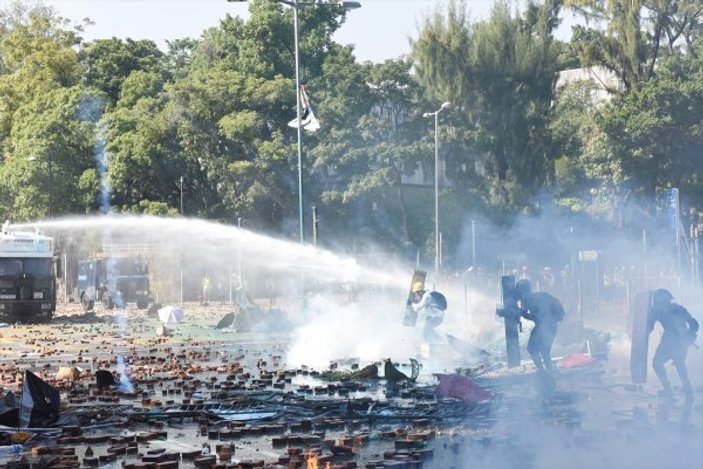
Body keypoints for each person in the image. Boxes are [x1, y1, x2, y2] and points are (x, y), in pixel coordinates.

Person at [647, 288, 699, 399]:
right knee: (680, 364)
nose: (655, 304)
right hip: (681, 341)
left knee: (657, 363)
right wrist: (688, 336)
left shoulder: (659, 311)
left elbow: (694, 324)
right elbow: (694, 325)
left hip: (671, 341)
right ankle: (688, 389)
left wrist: (689, 336)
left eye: (656, 302)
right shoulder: (678, 309)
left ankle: (668, 389)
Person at [515, 279, 565, 372]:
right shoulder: (534, 298)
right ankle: (547, 371)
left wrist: (521, 313)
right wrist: (522, 312)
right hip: (548, 326)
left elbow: (535, 317)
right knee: (543, 350)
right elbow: (535, 317)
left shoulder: (531, 300)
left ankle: (544, 371)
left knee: (535, 349)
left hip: (545, 327)